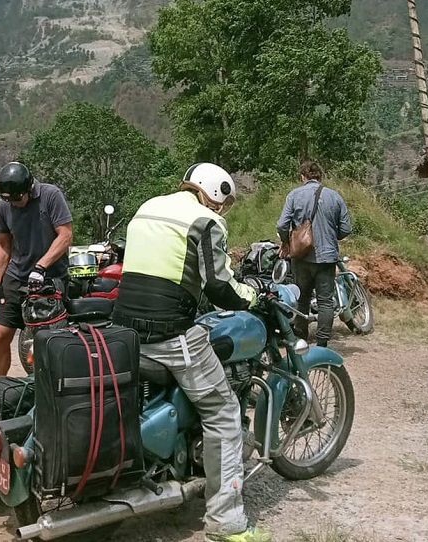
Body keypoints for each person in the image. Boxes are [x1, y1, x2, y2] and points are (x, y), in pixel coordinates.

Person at [111, 163, 271, 542]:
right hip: (170, 336)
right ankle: (227, 522)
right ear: (216, 193)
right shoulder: (205, 221)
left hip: (124, 332)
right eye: (223, 200)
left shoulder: (148, 207)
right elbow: (219, 287)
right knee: (225, 415)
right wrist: (252, 295)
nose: (222, 207)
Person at [0, 161, 72, 377]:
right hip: (17, 276)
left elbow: (65, 235)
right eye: (8, 200)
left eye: (17, 199)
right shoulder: (4, 205)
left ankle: (51, 389)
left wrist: (41, 266)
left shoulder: (50, 195)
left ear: (29, 188)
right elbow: (3, 245)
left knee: (48, 339)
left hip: (51, 278)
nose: (14, 204)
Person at [276, 158, 352, 347]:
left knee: (302, 298)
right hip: (327, 257)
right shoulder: (335, 196)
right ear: (319, 177)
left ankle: (301, 337)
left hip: (301, 257)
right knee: (325, 301)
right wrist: (331, 236)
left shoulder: (294, 195)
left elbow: (281, 224)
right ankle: (322, 343)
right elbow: (346, 228)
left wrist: (286, 242)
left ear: (303, 177)